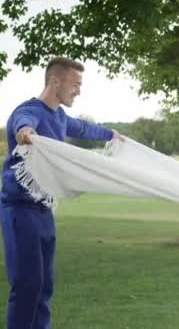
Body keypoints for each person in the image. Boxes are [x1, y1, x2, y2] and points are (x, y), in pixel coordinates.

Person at [0, 57, 121, 329]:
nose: (78, 90)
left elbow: (86, 128)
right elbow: (22, 122)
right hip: (19, 211)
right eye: (75, 84)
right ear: (55, 81)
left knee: (44, 288)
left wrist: (112, 135)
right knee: (27, 286)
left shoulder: (61, 118)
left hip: (44, 211)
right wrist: (25, 132)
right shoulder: (29, 111)